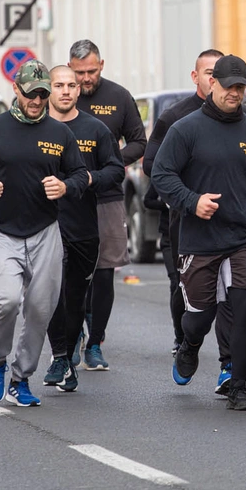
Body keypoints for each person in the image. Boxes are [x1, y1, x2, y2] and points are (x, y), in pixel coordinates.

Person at [151, 54, 246, 412]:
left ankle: (238, 386)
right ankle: (190, 345)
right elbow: (162, 175)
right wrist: (192, 202)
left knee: (244, 308)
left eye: (241, 88)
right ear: (213, 84)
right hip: (200, 239)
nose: (236, 94)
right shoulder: (186, 129)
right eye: (230, 87)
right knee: (199, 315)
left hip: (245, 236)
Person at [0, 60, 89, 408]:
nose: (38, 100)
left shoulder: (60, 134)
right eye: (31, 93)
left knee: (40, 310)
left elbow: (79, 174)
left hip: (46, 232)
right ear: (16, 90)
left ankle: (21, 377)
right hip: (2, 231)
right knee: (7, 301)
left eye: (43, 94)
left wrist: (64, 185)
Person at [141, 49, 229, 385]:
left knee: (231, 294)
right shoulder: (175, 117)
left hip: (229, 223)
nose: (213, 79)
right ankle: (184, 341)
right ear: (196, 77)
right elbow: (152, 165)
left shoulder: (240, 118)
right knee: (183, 286)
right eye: (208, 72)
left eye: (218, 72)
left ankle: (229, 363)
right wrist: (189, 191)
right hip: (182, 219)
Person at [43, 65, 124, 392]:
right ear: (48, 89)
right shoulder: (37, 130)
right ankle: (60, 354)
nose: (65, 91)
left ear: (79, 90)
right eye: (59, 85)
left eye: (71, 85)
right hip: (44, 226)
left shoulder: (95, 129)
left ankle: (68, 356)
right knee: (51, 296)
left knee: (75, 299)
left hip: (83, 226)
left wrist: (90, 178)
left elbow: (115, 170)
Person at [70, 39, 147, 371]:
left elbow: (139, 141)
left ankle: (96, 342)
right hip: (66, 201)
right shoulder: (59, 97)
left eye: (91, 71)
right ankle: (69, 339)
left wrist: (109, 162)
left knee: (103, 275)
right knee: (70, 275)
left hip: (107, 197)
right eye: (78, 73)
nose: (85, 79)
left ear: (102, 64)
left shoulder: (119, 96)